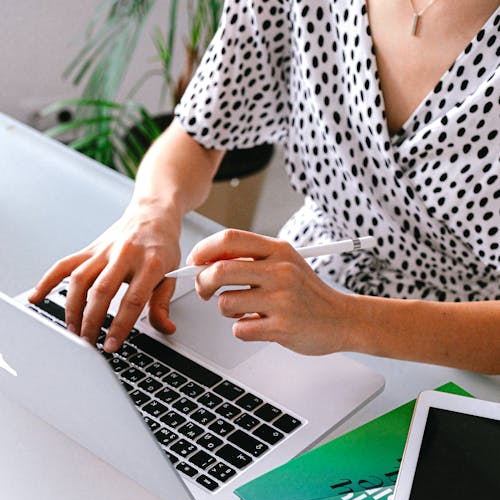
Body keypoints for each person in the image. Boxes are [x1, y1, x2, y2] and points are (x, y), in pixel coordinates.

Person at [30, 0, 500, 373]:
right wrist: (152, 212)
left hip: (469, 354)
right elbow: (196, 133)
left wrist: (347, 320)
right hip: (302, 305)